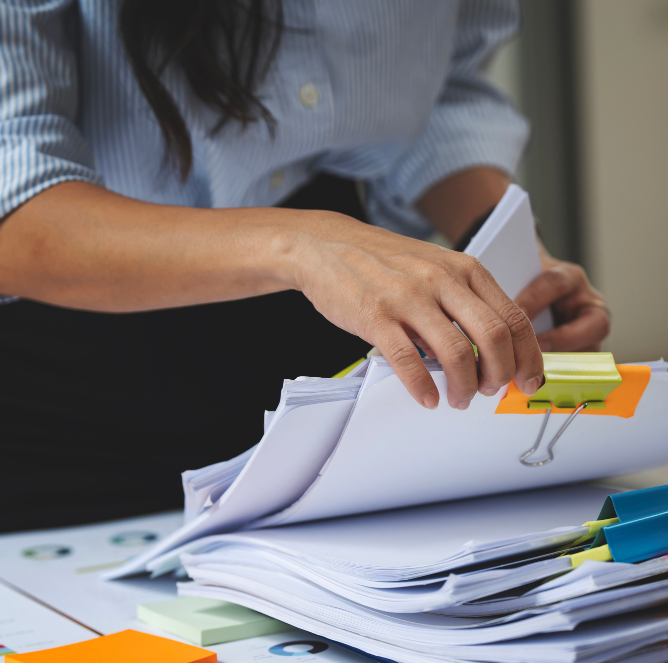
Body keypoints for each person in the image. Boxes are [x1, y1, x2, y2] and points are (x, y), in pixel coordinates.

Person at [0, 0, 609, 531]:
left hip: (331, 338)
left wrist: (499, 262)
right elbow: (14, 203)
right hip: (64, 362)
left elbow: (440, 96)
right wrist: (303, 246)